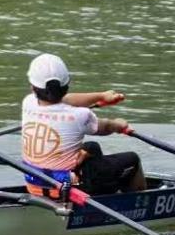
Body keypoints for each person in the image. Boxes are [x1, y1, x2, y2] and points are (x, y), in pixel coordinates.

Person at [21, 53, 144, 198]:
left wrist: (101, 96)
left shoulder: (28, 102)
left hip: (34, 183)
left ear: (33, 88)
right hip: (67, 190)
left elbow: (66, 100)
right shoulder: (80, 115)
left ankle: (107, 189)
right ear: (66, 86)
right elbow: (106, 127)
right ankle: (139, 201)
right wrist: (118, 124)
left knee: (92, 147)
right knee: (132, 159)